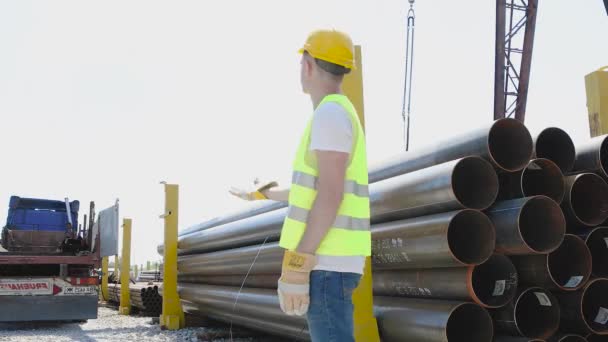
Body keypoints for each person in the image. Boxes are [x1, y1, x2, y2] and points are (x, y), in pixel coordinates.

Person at [229, 29, 371, 342]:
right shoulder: (335, 113)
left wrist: (299, 262)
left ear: (308, 64)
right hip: (331, 263)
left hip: (326, 262)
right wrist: (263, 194)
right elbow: (316, 190)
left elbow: (331, 195)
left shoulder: (330, 114)